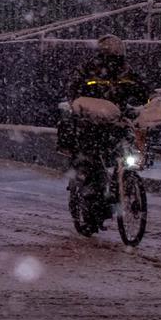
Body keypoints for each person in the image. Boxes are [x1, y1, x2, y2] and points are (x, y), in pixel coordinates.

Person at [61, 35, 153, 203]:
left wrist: (153, 101)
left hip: (118, 120)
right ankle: (88, 190)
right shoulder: (87, 70)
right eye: (111, 53)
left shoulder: (126, 71)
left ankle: (124, 180)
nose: (114, 57)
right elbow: (74, 93)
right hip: (91, 122)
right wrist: (86, 107)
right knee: (91, 158)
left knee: (129, 146)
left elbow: (143, 89)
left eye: (117, 53)